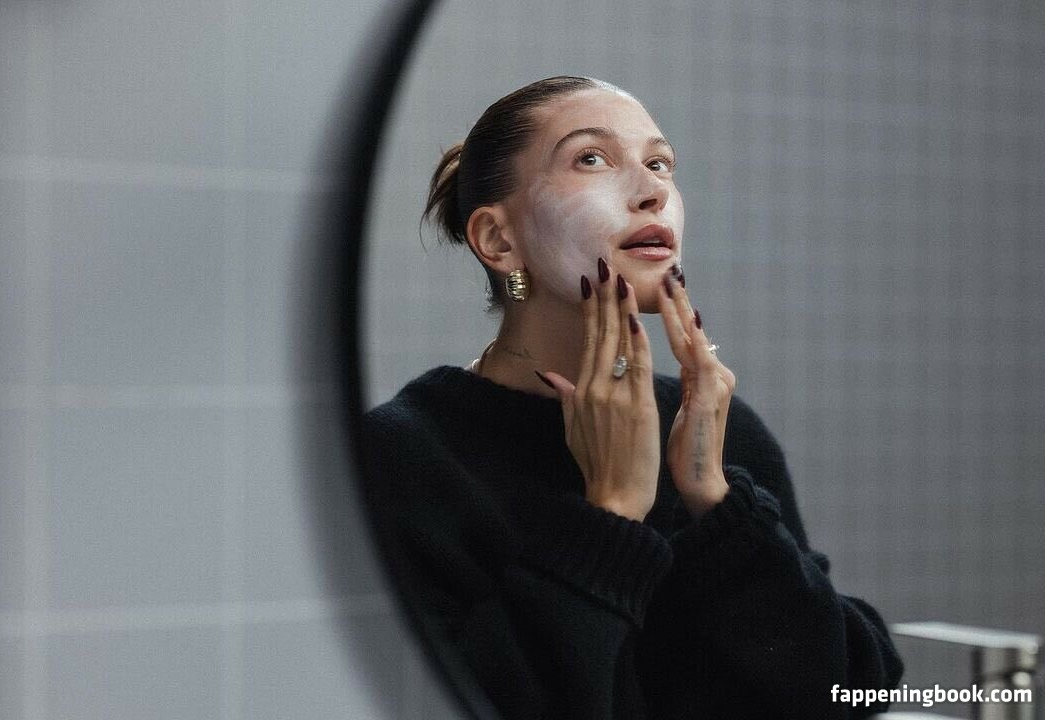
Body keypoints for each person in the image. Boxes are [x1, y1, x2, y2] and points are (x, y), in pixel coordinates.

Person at [359, 75, 904, 719]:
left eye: (660, 163)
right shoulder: (401, 458)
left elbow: (854, 692)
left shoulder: (723, 434)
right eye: (591, 158)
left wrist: (715, 503)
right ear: (498, 240)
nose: (653, 192)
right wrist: (612, 510)